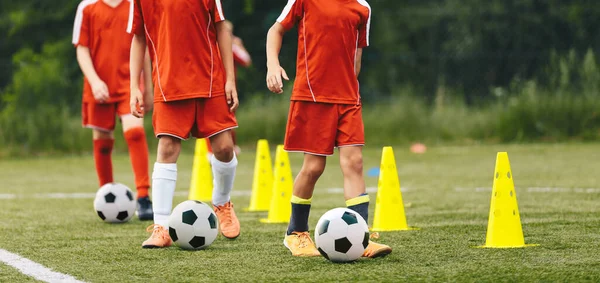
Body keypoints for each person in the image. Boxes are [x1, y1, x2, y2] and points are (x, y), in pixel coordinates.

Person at [266, 0, 392, 258]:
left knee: (354, 163)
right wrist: (272, 65)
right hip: (312, 97)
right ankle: (295, 233)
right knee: (313, 167)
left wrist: (347, 89)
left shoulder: (363, 8)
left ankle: (361, 238)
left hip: (348, 99)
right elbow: (275, 30)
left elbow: (356, 60)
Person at [128, 0, 241, 248]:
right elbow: (138, 37)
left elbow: (222, 28)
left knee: (224, 148)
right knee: (167, 148)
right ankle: (161, 227)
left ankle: (222, 203)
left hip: (211, 79)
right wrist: (134, 86)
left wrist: (230, 79)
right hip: (169, 83)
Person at [73, 0, 154, 221]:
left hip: (130, 85)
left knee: (135, 132)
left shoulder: (135, 5)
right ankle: (105, 193)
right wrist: (94, 81)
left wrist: (148, 88)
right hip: (98, 86)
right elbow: (82, 50)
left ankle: (144, 196)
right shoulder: (87, 7)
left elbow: (143, 45)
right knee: (102, 142)